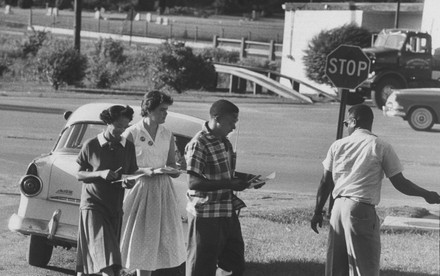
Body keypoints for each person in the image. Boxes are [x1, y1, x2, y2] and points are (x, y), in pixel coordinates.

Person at [310, 104, 440, 276]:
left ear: (354, 122)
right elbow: (400, 182)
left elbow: (325, 182)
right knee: (364, 267)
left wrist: (318, 212)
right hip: (360, 209)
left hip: (337, 210)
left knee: (336, 267)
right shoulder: (380, 146)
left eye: (346, 123)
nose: (345, 126)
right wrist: (427, 194)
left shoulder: (337, 145)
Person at [119, 91, 186, 276]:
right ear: (148, 110)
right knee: (135, 239)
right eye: (162, 110)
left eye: (167, 110)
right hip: (139, 191)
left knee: (154, 241)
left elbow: (172, 164)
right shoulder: (131, 133)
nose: (165, 114)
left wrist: (174, 169)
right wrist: (148, 171)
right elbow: (123, 169)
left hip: (162, 192)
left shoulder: (167, 134)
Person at [184, 99, 251, 276]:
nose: (234, 127)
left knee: (234, 262)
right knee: (201, 264)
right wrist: (229, 183)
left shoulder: (224, 142)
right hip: (206, 213)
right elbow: (193, 183)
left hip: (226, 210)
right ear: (217, 118)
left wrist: (246, 180)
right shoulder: (199, 143)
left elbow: (224, 174)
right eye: (232, 122)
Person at [76, 105, 139, 276]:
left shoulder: (128, 147)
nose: (121, 130)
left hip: (115, 207)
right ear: (108, 122)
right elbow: (79, 174)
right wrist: (100, 173)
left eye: (125, 127)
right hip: (93, 204)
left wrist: (128, 182)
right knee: (105, 251)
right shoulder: (91, 145)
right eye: (118, 126)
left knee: (105, 252)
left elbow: (131, 174)